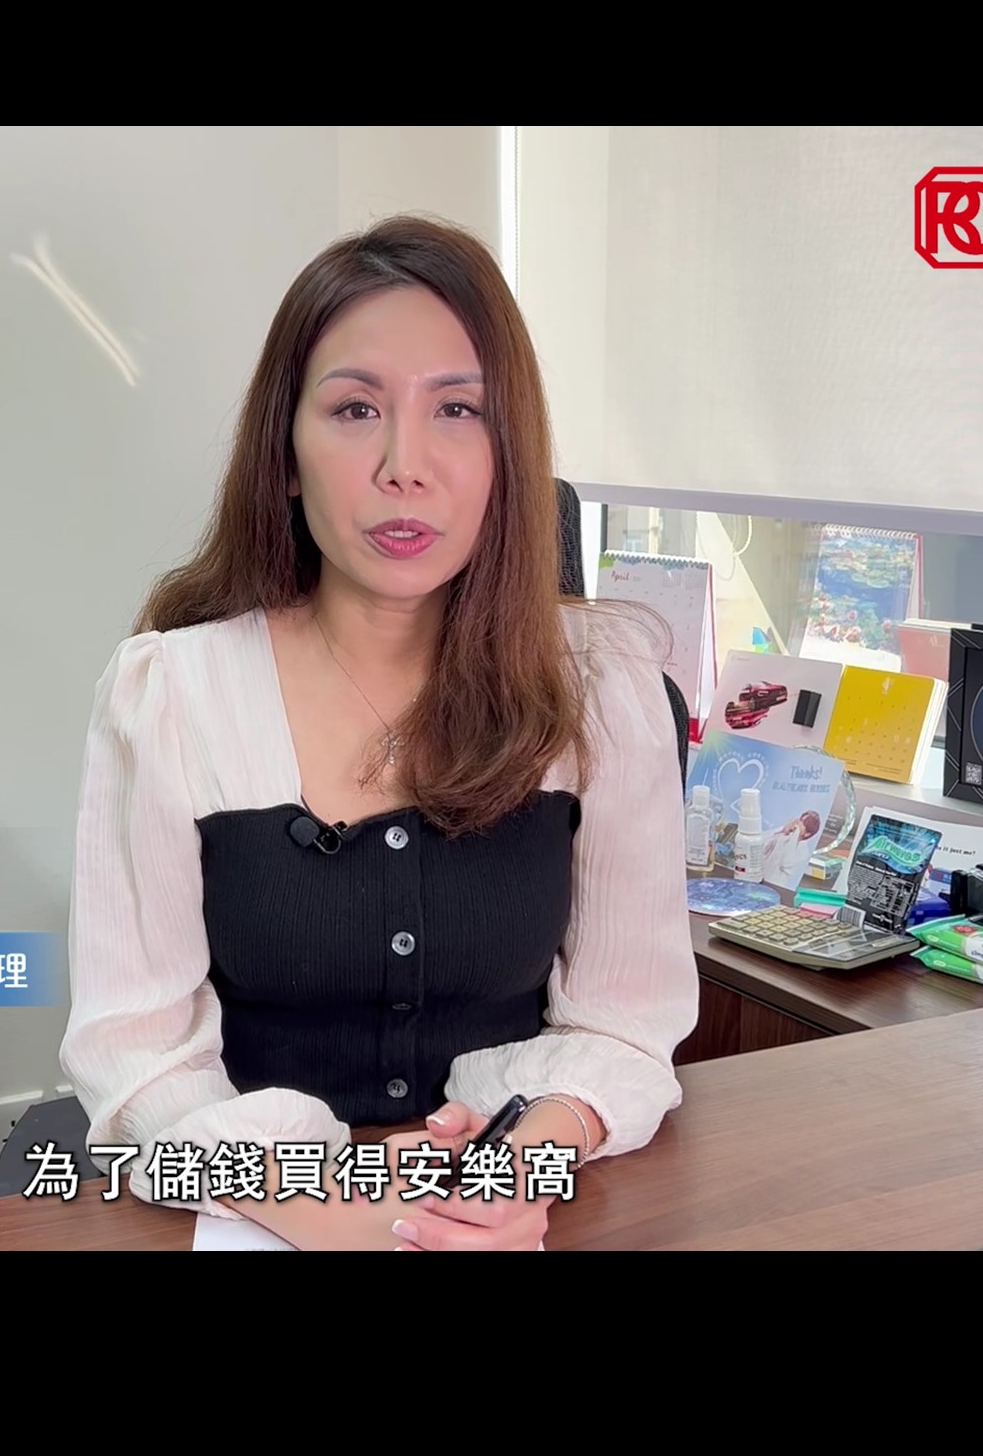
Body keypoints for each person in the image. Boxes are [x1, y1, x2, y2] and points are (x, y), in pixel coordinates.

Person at [58, 215, 699, 1251]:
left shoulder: (601, 683)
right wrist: (336, 1210)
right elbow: (135, 1061)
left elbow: (627, 1023)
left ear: (508, 453)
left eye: (458, 409)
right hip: (260, 1216)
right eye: (355, 409)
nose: (406, 465)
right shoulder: (170, 692)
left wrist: (523, 1164)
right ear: (286, 456)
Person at [760, 810, 822, 889]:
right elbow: (761, 843)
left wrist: (796, 834)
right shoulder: (783, 836)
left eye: (803, 823)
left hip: (773, 887)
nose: (798, 824)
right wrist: (782, 830)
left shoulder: (803, 852)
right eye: (800, 820)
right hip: (759, 878)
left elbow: (785, 863)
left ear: (807, 833)